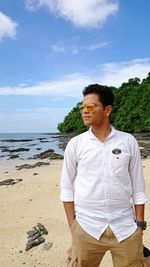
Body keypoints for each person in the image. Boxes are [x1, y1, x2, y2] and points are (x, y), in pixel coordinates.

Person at [60, 84, 148, 267]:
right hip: (86, 227)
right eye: (82, 107)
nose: (84, 111)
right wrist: (73, 226)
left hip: (125, 228)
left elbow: (138, 187)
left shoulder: (128, 141)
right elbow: (66, 187)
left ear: (107, 110)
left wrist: (139, 225)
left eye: (90, 107)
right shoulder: (76, 144)